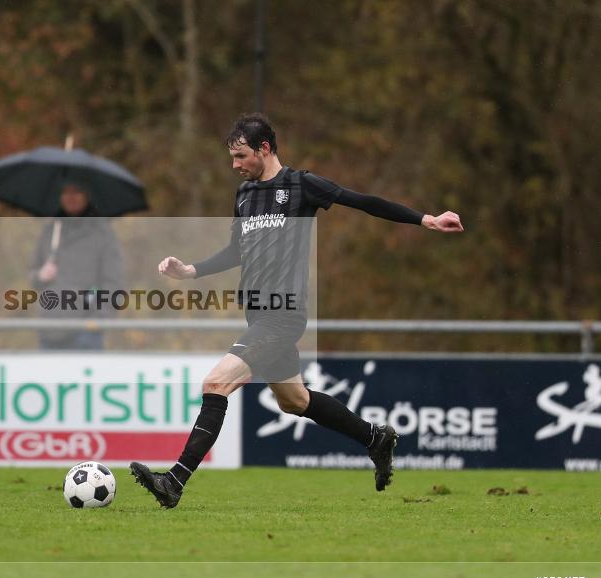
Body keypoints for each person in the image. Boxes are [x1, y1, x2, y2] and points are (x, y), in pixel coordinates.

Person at [130, 114, 464, 508]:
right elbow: (237, 250)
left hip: (283, 315)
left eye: (240, 155)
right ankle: (376, 438)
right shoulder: (244, 195)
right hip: (257, 315)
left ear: (265, 148)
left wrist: (424, 218)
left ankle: (174, 482)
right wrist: (190, 271)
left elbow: (363, 201)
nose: (235, 164)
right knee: (295, 401)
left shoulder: (302, 185)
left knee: (215, 384)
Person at [31, 183, 124, 350]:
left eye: (76, 192)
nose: (70, 197)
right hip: (49, 329)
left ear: (87, 196)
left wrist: (98, 320)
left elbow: (113, 283)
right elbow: (33, 275)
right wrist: (40, 275)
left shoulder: (102, 233)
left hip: (86, 333)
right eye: (65, 192)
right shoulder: (50, 231)